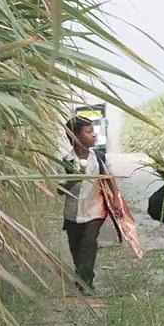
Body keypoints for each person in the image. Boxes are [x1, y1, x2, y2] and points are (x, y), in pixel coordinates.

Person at [61, 115, 110, 293]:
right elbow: (59, 189)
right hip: (73, 213)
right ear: (75, 137)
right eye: (88, 132)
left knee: (89, 243)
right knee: (76, 248)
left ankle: (86, 283)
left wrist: (115, 205)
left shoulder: (98, 157)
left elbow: (107, 181)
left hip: (95, 210)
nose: (93, 135)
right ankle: (81, 276)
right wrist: (72, 179)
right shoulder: (67, 161)